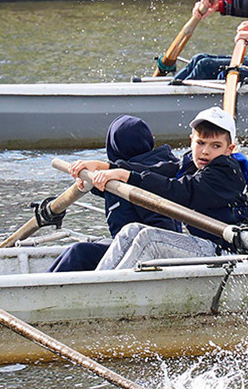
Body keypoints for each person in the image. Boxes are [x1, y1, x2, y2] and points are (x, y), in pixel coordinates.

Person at [69, 107, 248, 272]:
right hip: (203, 245)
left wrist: (124, 175)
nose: (205, 151)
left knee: (149, 238)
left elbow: (178, 192)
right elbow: (156, 172)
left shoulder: (225, 172)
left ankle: (105, 293)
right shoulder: (192, 164)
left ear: (229, 149)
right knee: (131, 230)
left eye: (216, 146)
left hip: (228, 253)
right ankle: (98, 282)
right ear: (191, 140)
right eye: (200, 143)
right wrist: (105, 168)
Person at [47, 116, 185, 273]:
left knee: (79, 253)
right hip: (126, 246)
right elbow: (116, 191)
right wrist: (88, 182)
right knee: (72, 250)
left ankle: (39, 293)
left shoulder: (146, 178)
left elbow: (163, 228)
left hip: (146, 254)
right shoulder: (126, 172)